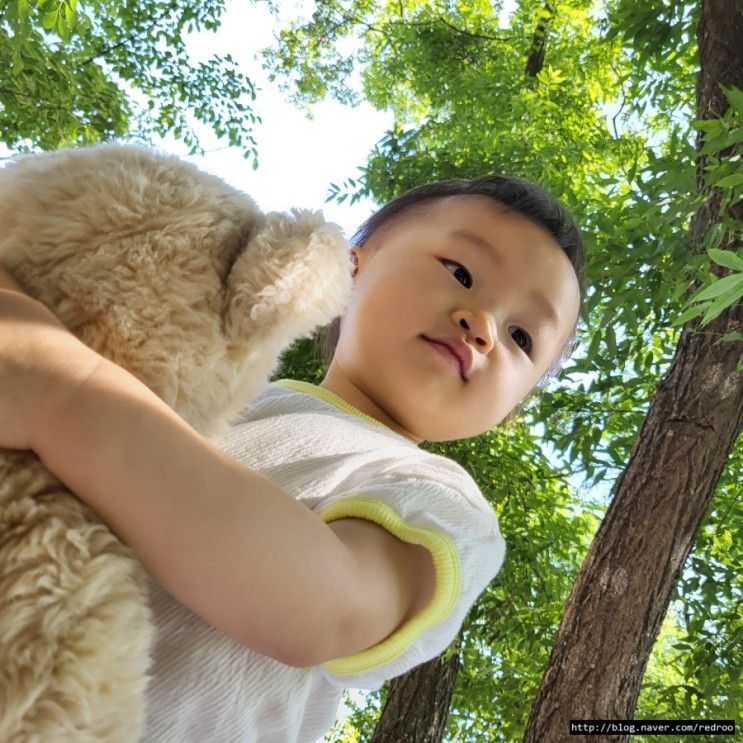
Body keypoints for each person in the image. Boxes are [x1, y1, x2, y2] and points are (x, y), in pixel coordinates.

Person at [0, 174, 584, 742]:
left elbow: (326, 611)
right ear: (349, 268)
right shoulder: (216, 381)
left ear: (512, 408)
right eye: (460, 272)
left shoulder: (435, 496)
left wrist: (65, 393)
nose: (482, 326)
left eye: (522, 338)